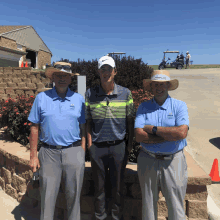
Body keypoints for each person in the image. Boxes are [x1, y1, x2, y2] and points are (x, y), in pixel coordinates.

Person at [28, 65, 86, 220]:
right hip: (48, 154)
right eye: (58, 75)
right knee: (47, 198)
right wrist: (33, 156)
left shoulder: (79, 99)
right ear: (52, 78)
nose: (61, 79)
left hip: (73, 152)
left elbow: (83, 127)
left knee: (74, 198)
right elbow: (34, 127)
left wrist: (82, 152)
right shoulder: (41, 98)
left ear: (70, 78)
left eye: (65, 76)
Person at [135, 70, 189, 220]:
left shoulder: (179, 106)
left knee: (176, 205)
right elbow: (139, 135)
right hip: (148, 160)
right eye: (155, 85)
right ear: (151, 87)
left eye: (162, 84)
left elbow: (182, 133)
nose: (159, 88)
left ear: (167, 86)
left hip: (173, 161)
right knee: (148, 204)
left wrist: (153, 130)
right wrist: (169, 135)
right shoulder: (143, 107)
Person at [85, 55, 134, 220]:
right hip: (97, 147)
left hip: (118, 146)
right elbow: (88, 122)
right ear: (99, 72)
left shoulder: (126, 93)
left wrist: (128, 146)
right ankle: (100, 217)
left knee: (118, 187)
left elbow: (130, 122)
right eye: (103, 69)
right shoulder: (90, 94)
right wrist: (90, 145)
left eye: (109, 69)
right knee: (99, 187)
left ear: (115, 72)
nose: (106, 72)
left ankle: (115, 217)